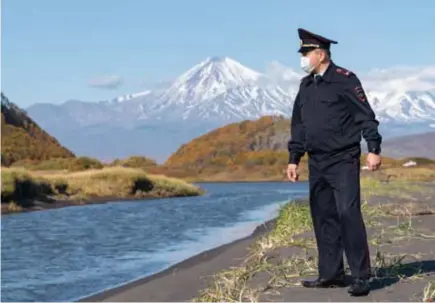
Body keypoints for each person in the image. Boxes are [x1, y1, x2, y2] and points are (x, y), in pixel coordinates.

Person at [287, 28, 382, 297]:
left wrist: (373, 148)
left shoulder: (345, 80)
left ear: (320, 54)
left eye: (306, 53)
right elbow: (299, 126)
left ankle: (362, 277)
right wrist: (294, 159)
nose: (303, 58)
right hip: (317, 162)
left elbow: (366, 116)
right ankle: (330, 275)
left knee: (348, 215)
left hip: (343, 159)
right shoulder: (305, 86)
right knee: (323, 216)